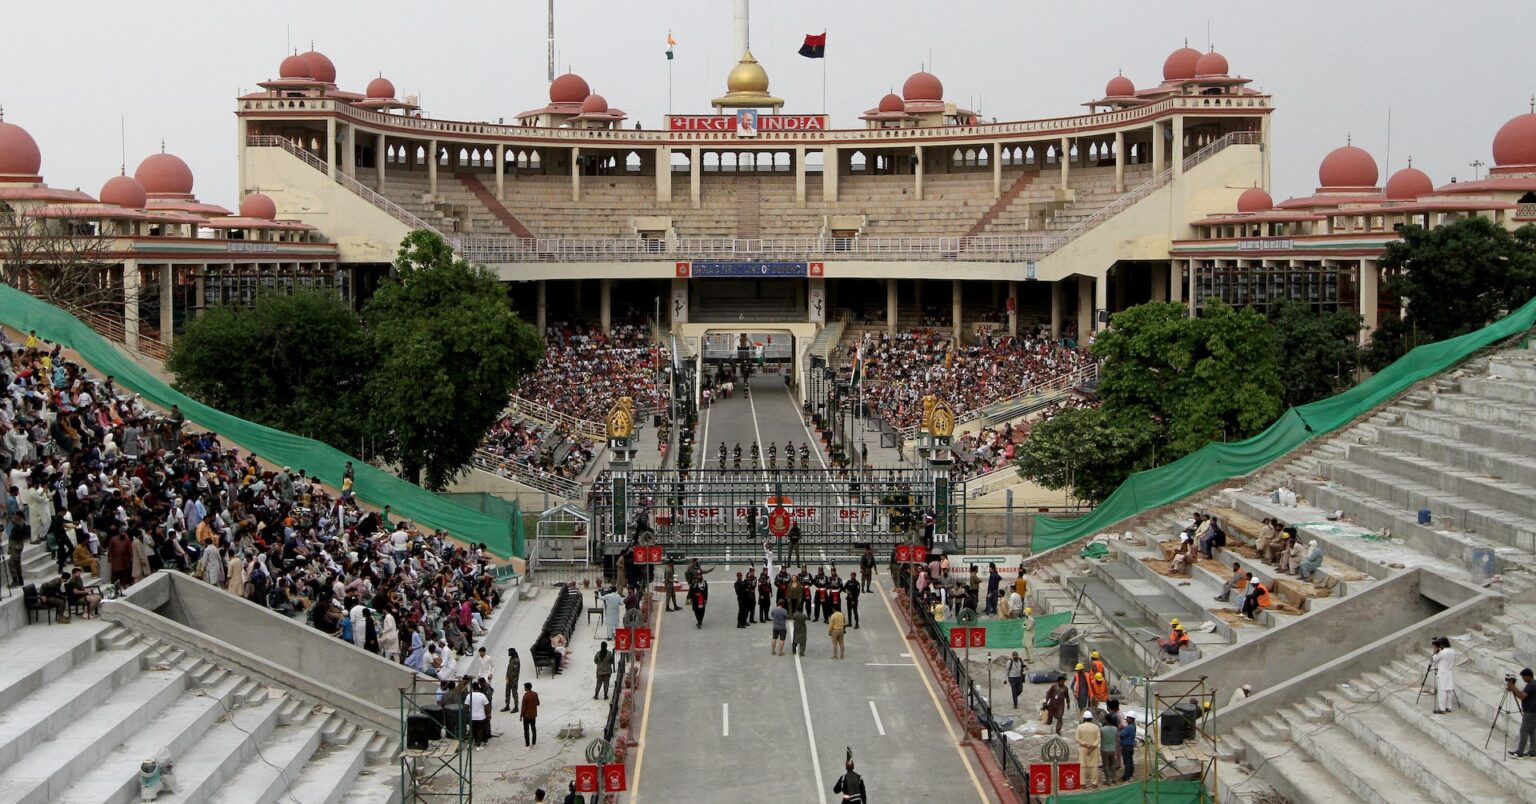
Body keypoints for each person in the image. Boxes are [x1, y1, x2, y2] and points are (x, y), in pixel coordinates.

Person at [1510, 668, 1536, 758]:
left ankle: (1519, 752)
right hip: (1534, 712)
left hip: (1530, 712)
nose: (1523, 679)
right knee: (1533, 731)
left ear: (1528, 676)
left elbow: (1522, 696)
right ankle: (1533, 751)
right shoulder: (1534, 683)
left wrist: (1512, 686)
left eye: (1523, 677)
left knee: (1524, 731)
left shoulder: (1531, 685)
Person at [1431, 637, 1458, 714]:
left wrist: (1435, 652)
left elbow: (1435, 659)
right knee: (1449, 690)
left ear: (1442, 644)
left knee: (1442, 691)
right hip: (1449, 673)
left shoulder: (1442, 652)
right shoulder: (1453, 651)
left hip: (1442, 673)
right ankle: (1448, 707)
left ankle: (1442, 708)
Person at [1076, 711, 1102, 789]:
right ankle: (1094, 783)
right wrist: (1092, 746)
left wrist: (1085, 744)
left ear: (1084, 718)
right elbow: (1098, 738)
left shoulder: (1080, 727)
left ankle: (1082, 783)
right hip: (1094, 749)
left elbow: (1077, 738)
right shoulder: (1096, 727)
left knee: (1083, 766)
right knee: (1094, 766)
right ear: (1091, 718)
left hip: (1083, 748)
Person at [468, 680, 492, 749]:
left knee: (472, 731)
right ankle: (478, 746)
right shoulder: (482, 695)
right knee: (480, 730)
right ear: (478, 687)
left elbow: (466, 707)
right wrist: (488, 714)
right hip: (481, 717)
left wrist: (468, 715)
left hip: (472, 717)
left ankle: (470, 744)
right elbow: (487, 706)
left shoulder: (469, 696)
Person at [1100, 713, 1120, 784]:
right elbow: (1117, 738)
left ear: (1106, 720)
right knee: (1112, 764)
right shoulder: (1115, 728)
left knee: (1106, 765)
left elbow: (1100, 738)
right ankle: (1114, 778)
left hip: (1104, 749)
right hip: (1112, 749)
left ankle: (1108, 780)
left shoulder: (1102, 729)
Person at [520, 682, 540, 749]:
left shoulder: (525, 696)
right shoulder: (535, 694)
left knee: (526, 730)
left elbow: (523, 707)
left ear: (526, 688)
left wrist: (521, 716)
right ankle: (534, 744)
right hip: (533, 715)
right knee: (533, 729)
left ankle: (527, 745)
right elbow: (538, 703)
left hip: (526, 716)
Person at [1118, 714, 1138, 781]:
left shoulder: (1129, 727)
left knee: (1127, 762)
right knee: (1130, 761)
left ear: (1132, 719)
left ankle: (1126, 776)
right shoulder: (1133, 726)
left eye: (1128, 718)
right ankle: (1130, 775)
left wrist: (1120, 728)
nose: (1126, 719)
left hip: (1126, 746)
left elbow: (1121, 734)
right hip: (1130, 746)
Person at [502, 648, 521, 712]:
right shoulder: (511, 659)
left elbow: (514, 672)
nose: (508, 653)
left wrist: (509, 678)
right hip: (509, 679)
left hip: (514, 680)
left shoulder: (516, 660)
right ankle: (507, 705)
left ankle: (516, 707)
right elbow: (508, 668)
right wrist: (507, 677)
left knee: (514, 693)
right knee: (507, 693)